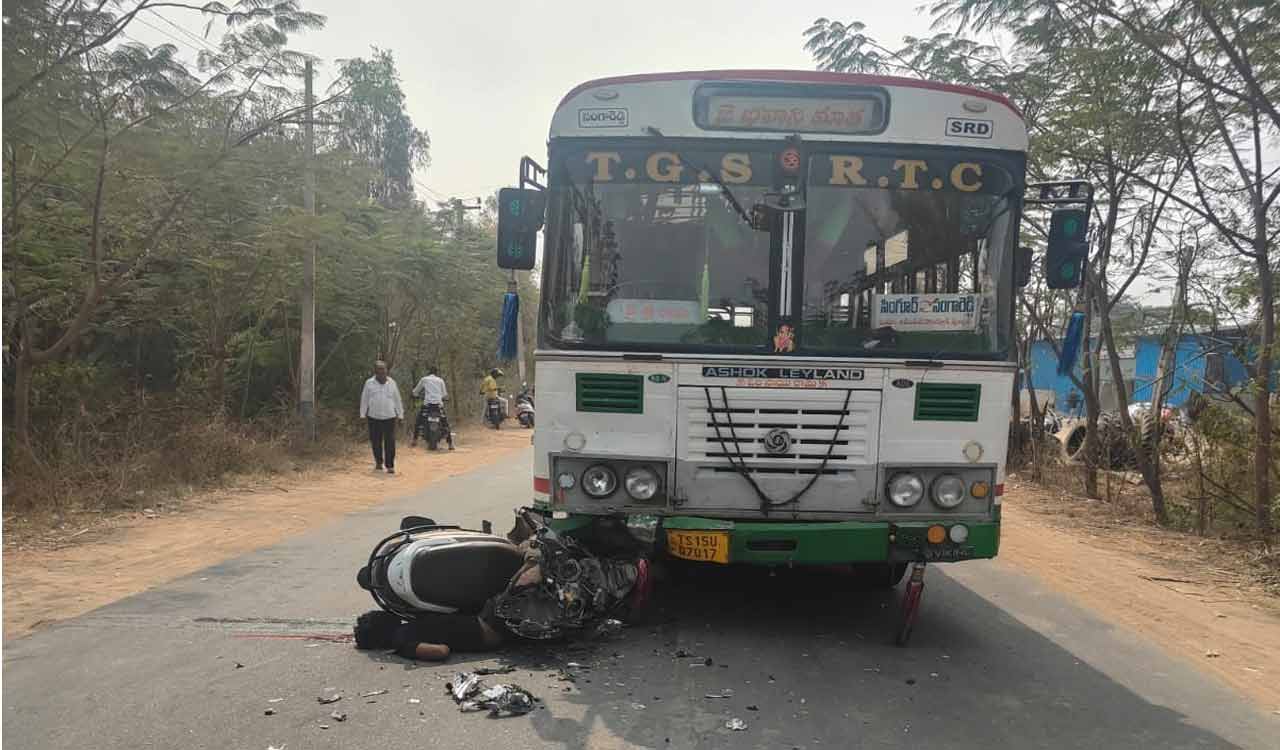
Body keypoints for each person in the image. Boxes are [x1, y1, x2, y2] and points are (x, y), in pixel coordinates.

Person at [359, 360, 404, 473]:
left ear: (386, 371)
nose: (382, 373)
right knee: (375, 441)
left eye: (384, 370)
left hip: (389, 417)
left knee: (390, 441)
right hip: (373, 417)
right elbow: (364, 399)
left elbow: (397, 400)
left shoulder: (392, 383)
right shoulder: (369, 383)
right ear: (375, 372)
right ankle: (379, 462)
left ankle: (390, 465)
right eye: (379, 371)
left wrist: (400, 415)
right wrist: (362, 415)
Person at [411, 365, 454, 450]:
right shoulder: (440, 380)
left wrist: (414, 395)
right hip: (438, 405)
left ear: (429, 372)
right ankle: (450, 444)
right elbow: (445, 395)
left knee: (418, 422)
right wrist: (445, 398)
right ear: (436, 373)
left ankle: (414, 440)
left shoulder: (424, 379)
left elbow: (415, 391)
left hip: (427, 405)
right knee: (445, 423)